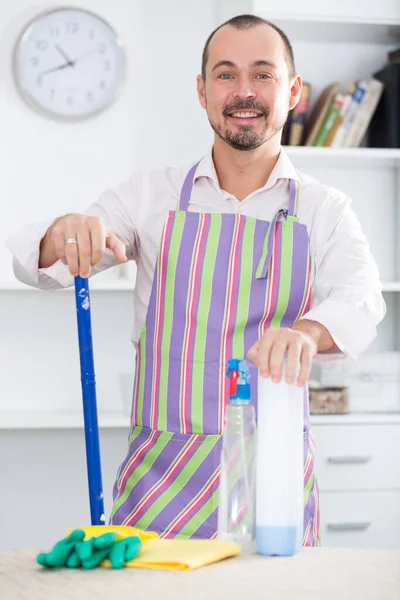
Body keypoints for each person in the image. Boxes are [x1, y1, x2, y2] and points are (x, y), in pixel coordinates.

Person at [7, 14, 385, 545]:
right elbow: (40, 264)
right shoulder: (148, 197)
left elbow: (360, 299)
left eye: (263, 74)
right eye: (226, 75)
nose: (244, 92)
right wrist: (64, 232)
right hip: (159, 488)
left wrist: (306, 333)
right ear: (202, 91)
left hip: (272, 478)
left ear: (294, 90)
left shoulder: (326, 211)